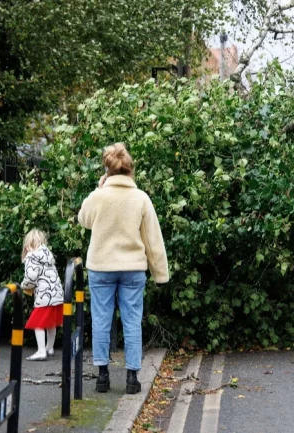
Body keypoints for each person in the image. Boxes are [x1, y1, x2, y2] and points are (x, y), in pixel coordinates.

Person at [78, 142, 169, 394]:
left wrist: (99, 188)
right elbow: (153, 239)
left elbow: (83, 220)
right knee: (131, 321)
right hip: (132, 269)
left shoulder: (99, 196)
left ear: (107, 170)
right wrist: (160, 273)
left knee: (100, 319)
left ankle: (103, 377)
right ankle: (132, 378)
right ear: (130, 170)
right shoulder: (140, 198)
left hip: (101, 267)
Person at [20, 229, 64, 361]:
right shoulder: (48, 256)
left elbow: (31, 277)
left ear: (28, 245)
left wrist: (23, 285)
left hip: (44, 297)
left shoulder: (32, 257)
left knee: (38, 323)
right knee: (51, 323)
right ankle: (49, 347)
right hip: (56, 296)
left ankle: (41, 351)